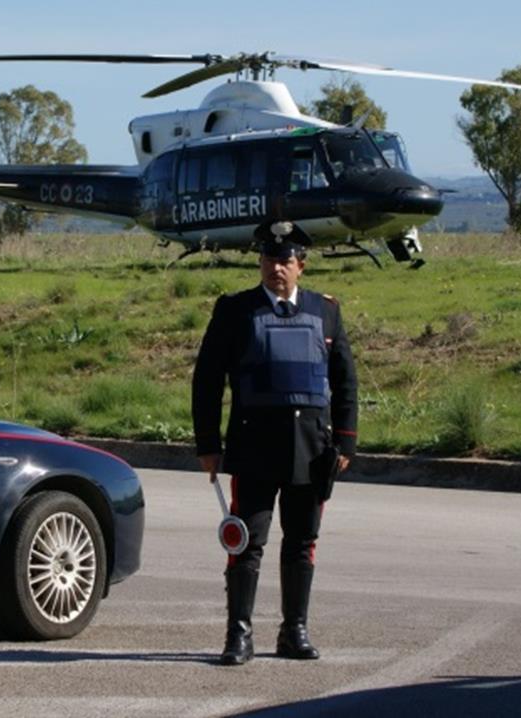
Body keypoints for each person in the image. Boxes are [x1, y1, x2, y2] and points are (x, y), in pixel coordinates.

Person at [192, 236, 358, 666]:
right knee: (245, 542)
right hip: (255, 447)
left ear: (301, 265)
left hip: (311, 449)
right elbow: (207, 380)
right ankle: (239, 635)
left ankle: (294, 631)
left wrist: (345, 440)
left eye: (285, 260)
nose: (275, 268)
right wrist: (208, 444)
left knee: (302, 541)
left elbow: (345, 381)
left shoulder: (326, 311)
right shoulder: (235, 310)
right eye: (268, 259)